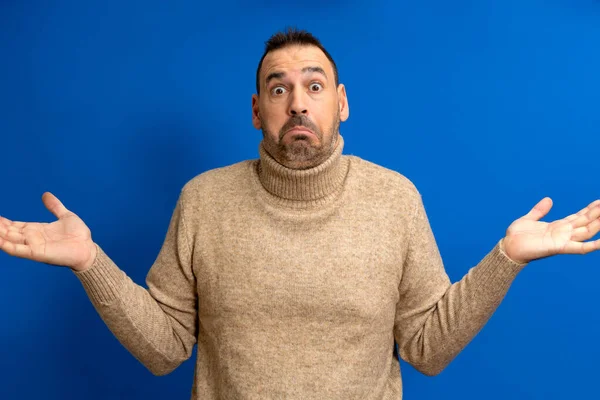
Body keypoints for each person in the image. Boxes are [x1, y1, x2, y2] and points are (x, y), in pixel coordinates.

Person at [1, 27, 599, 400]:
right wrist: (91, 263)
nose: (297, 103)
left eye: (314, 86)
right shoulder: (203, 199)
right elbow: (165, 349)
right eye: (279, 88)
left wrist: (506, 260)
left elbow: (426, 350)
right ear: (257, 109)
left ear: (342, 104)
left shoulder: (395, 199)